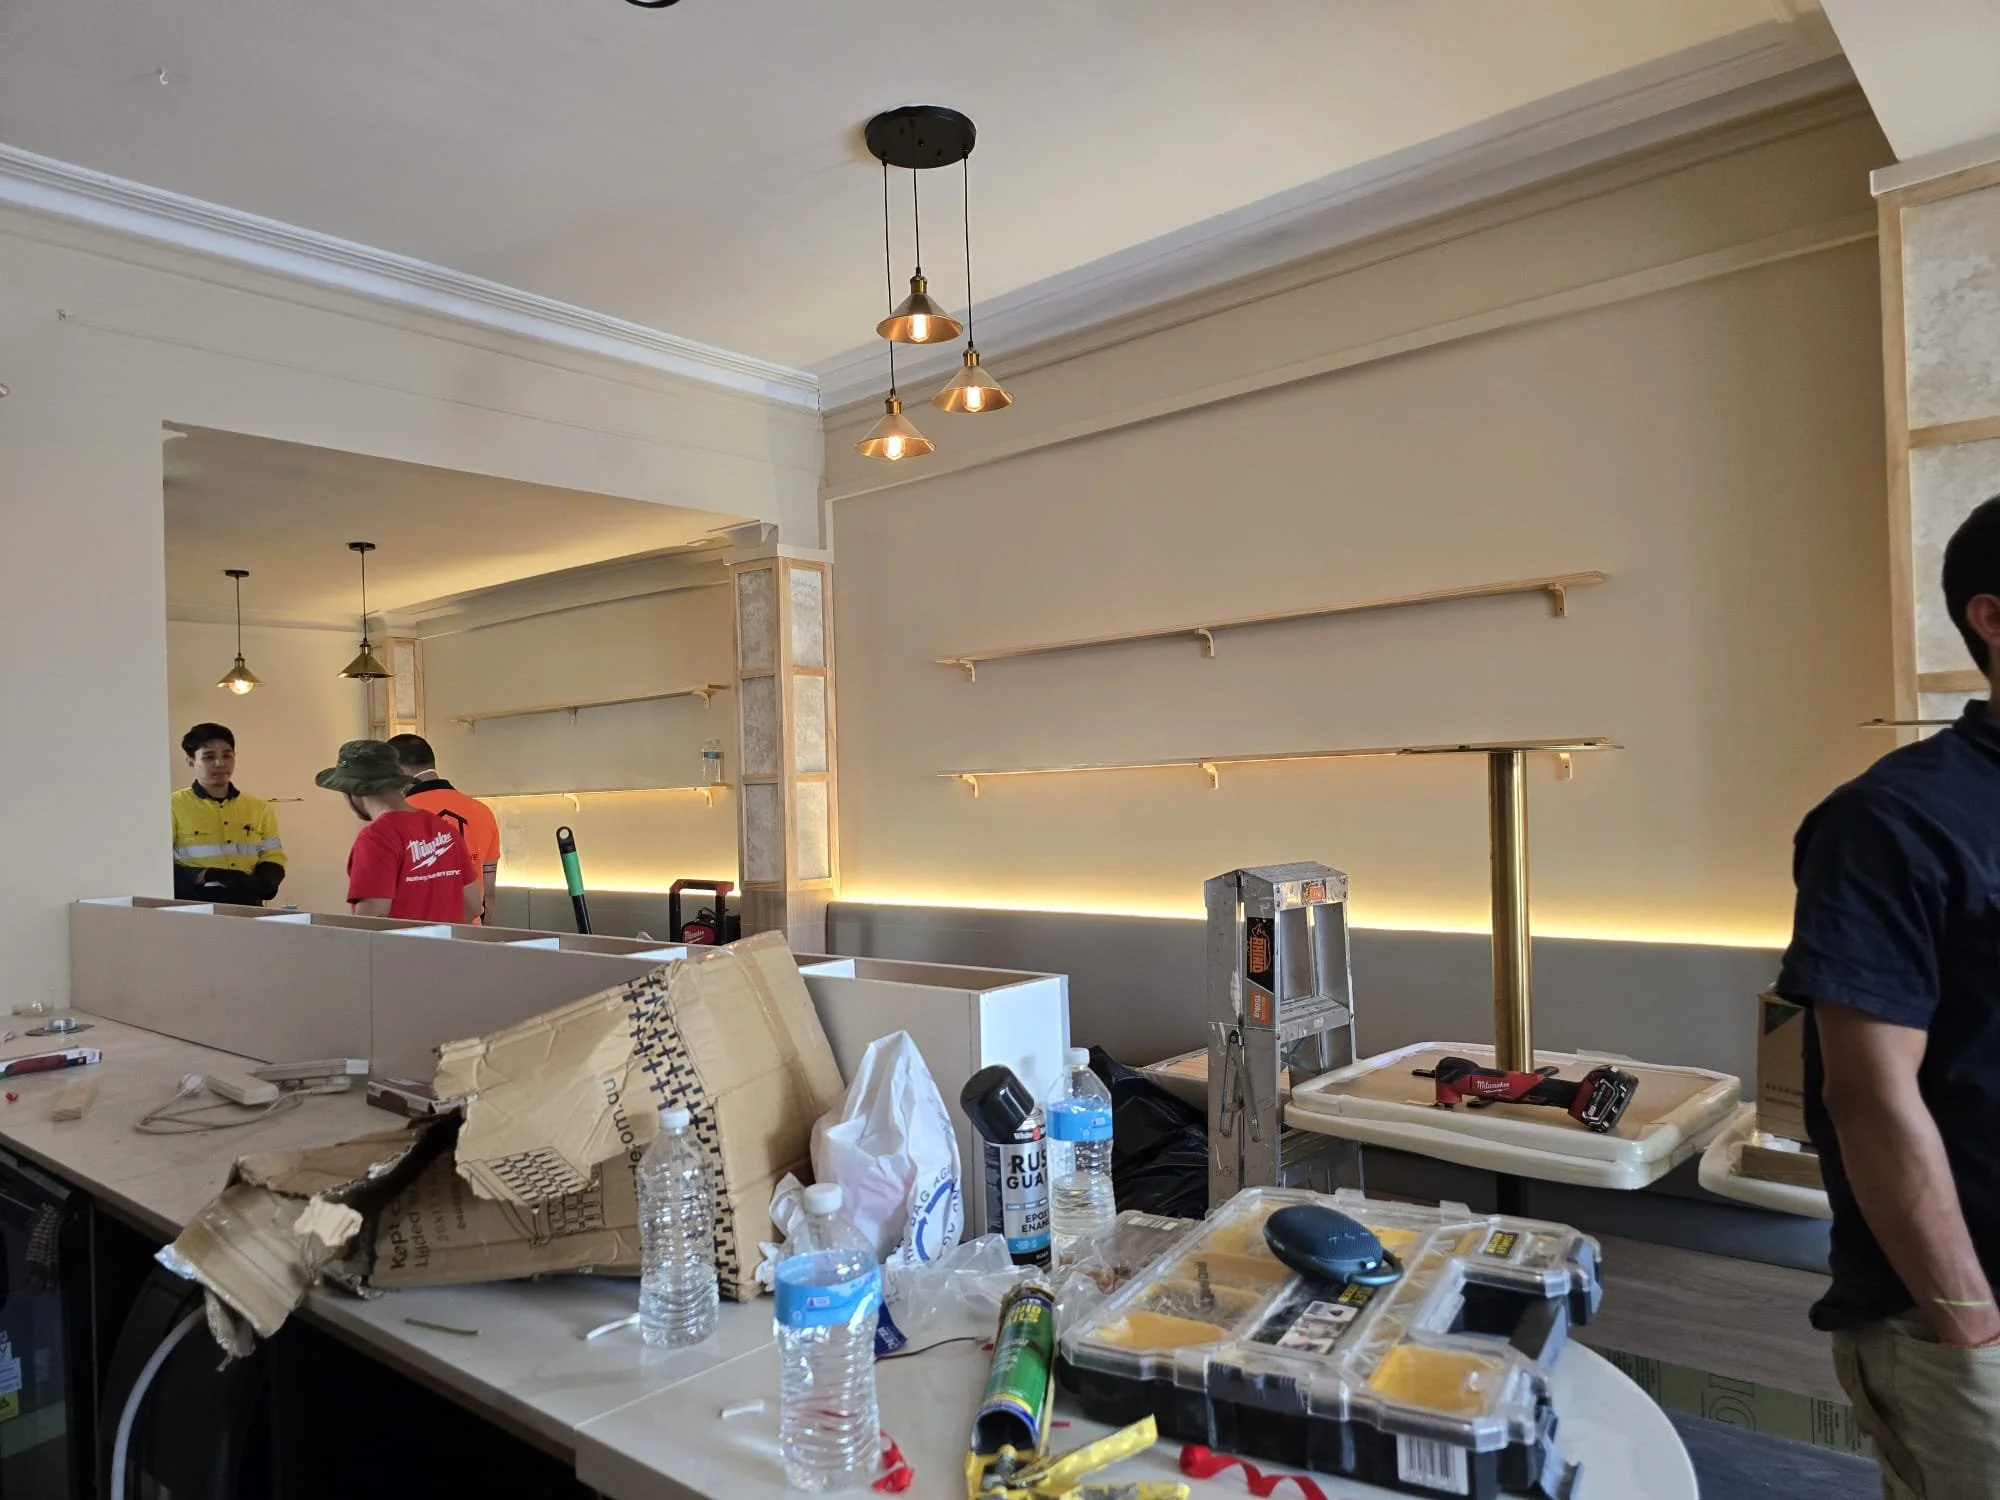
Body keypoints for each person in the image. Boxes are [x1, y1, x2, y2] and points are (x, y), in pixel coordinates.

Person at [1777, 494, 2000, 1499]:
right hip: (1965, 1311)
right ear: (1988, 618)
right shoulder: (1894, 821)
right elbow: (1866, 1094)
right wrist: (1964, 1323)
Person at [315, 739, 480, 924]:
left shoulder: (376, 838)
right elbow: (473, 905)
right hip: (449, 950)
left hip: (397, 952)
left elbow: (373, 919)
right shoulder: (444, 829)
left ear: (352, 792)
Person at [388, 733, 501, 924]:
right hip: (468, 936)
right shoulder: (482, 812)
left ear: (398, 771)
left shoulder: (396, 816)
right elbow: (488, 894)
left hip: (416, 937)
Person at [170, 723, 287, 906]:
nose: (220, 763)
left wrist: (268, 878)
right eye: (209, 757)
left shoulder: (259, 807)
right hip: (194, 904)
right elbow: (160, 864)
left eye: (227, 755)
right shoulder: (172, 806)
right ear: (190, 761)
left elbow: (273, 854)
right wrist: (207, 875)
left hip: (248, 902)